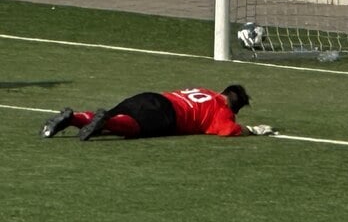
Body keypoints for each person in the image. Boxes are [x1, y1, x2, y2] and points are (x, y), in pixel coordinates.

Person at [40, 84, 275, 141]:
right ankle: (106, 121)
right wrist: (251, 130)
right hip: (167, 114)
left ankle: (73, 118)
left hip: (150, 97)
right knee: (132, 127)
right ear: (235, 106)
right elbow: (227, 130)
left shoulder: (203, 91)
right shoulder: (222, 111)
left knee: (115, 116)